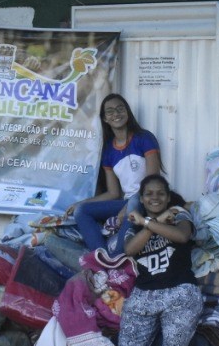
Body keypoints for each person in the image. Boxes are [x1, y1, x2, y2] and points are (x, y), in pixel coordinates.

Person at [77, 175, 200, 346]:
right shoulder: (135, 223)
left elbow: (181, 236)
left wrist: (149, 222)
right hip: (143, 296)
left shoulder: (180, 214)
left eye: (160, 194)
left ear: (168, 197)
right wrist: (148, 222)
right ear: (142, 199)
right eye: (148, 195)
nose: (155, 198)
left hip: (180, 294)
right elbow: (130, 250)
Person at [65, 94, 162, 252]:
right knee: (81, 212)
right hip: (127, 202)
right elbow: (113, 193)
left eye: (120, 109)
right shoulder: (109, 151)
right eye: (110, 112)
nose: (116, 114)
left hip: (149, 199)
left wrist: (129, 206)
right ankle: (102, 256)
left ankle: (117, 260)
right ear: (105, 119)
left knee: (132, 203)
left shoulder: (144, 138)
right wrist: (80, 204)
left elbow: (153, 182)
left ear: (127, 112)